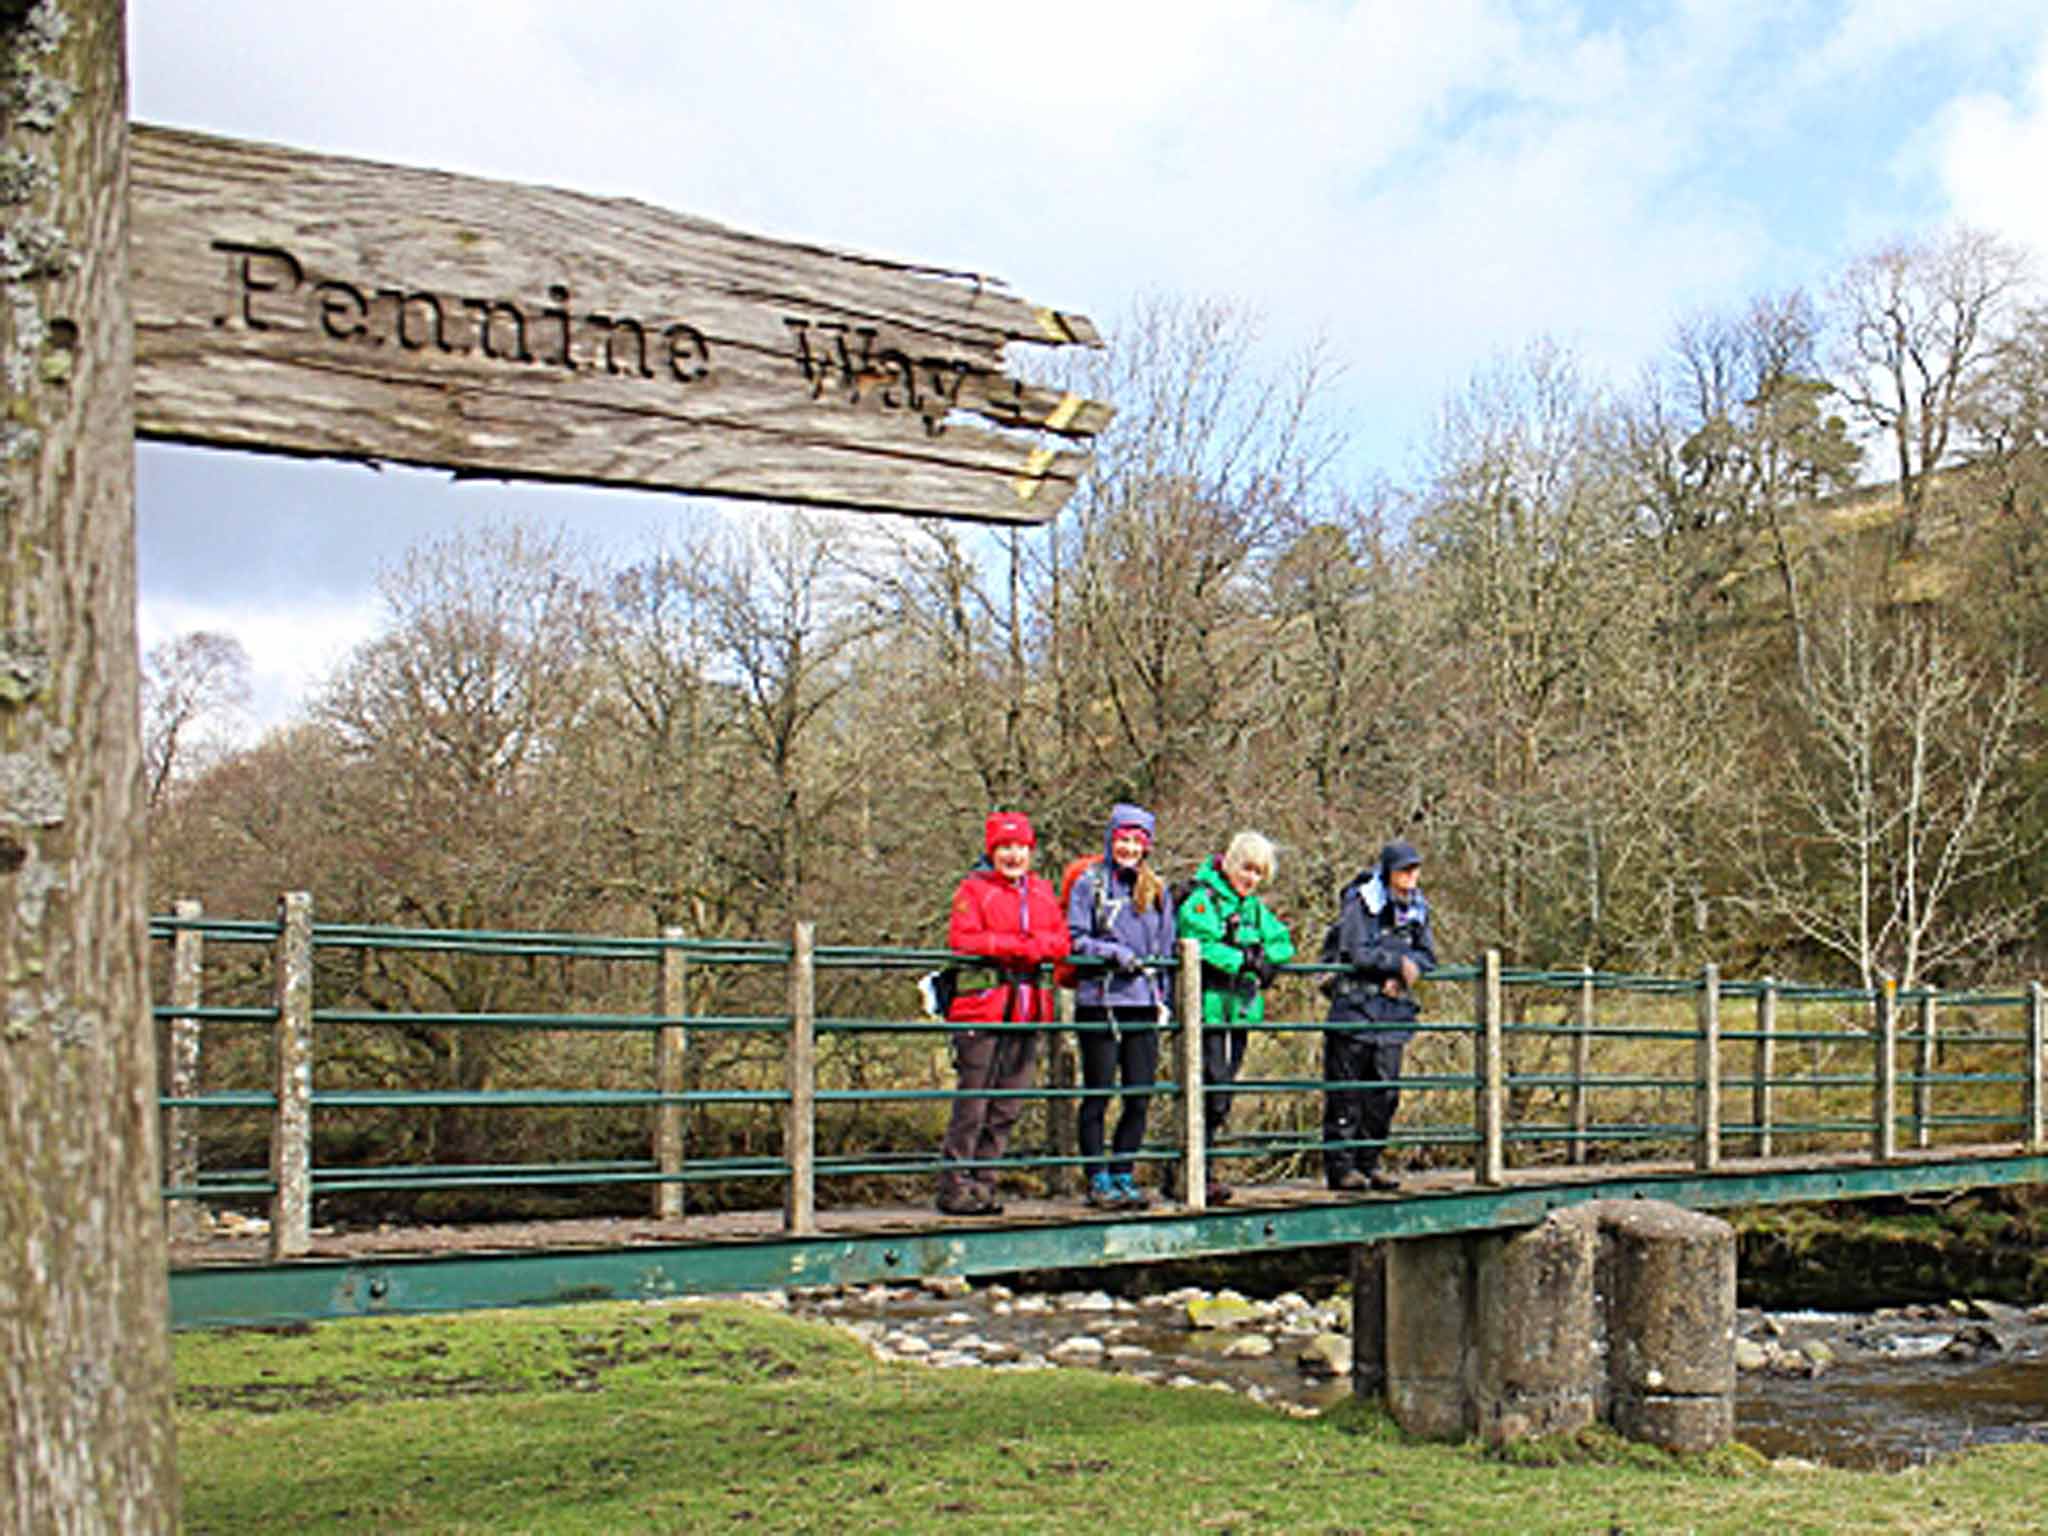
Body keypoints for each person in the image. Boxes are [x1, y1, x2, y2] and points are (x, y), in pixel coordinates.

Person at [936, 810, 1070, 1216]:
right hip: (982, 1009)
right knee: (973, 1102)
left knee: (1007, 1104)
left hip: (1026, 1010)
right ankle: (955, 1185)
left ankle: (984, 1183)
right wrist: (1022, 946)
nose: (1013, 855)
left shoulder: (1042, 892)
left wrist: (1023, 946)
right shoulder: (973, 891)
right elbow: (965, 940)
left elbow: (1060, 942)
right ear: (992, 852)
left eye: (1020, 848)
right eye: (1005, 848)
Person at [1066, 803, 1176, 1209]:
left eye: (1136, 841)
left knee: (1139, 1092)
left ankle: (1124, 1170)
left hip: (1143, 1002)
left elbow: (1165, 948)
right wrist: (1111, 953)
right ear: (1112, 839)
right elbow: (1075, 937)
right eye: (1123, 839)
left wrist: (1164, 1000)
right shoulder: (1089, 884)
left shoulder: (1158, 890)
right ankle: (1097, 1176)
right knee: (1098, 1091)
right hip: (1101, 1000)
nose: (1129, 847)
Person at [1177, 830, 1293, 1204]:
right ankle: (1191, 1172)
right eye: (1246, 869)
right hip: (1207, 1009)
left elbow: (1282, 942)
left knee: (1222, 1094)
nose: (1251, 879)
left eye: (1258, 873)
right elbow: (1198, 943)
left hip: (1238, 1010)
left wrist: (1264, 958)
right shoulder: (1203, 900)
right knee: (1208, 1090)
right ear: (1230, 864)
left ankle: (1200, 1169)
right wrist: (1241, 958)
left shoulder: (1254, 908)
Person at [1322, 840, 1437, 1192]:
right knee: (1347, 1092)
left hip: (1391, 1015)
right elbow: (1356, 951)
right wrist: (1395, 965)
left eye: (1415, 869)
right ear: (1388, 872)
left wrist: (1410, 969)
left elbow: (1428, 955)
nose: (1411, 877)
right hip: (1354, 1009)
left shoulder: (1418, 908)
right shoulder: (1361, 902)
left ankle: (1370, 1162)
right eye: (1404, 870)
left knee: (1384, 1094)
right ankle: (1342, 1167)